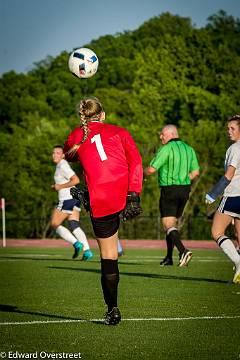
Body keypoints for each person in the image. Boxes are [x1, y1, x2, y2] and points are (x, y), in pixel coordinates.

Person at [63, 97, 143, 325]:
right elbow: (135, 161)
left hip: (100, 198)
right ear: (103, 114)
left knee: (109, 257)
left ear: (83, 117)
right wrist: (134, 194)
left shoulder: (78, 134)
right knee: (111, 253)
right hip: (124, 194)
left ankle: (113, 309)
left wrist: (81, 147)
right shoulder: (120, 131)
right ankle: (112, 308)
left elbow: (68, 153)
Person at [144, 124, 199, 267]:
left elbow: (151, 169)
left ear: (171, 134)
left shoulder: (166, 148)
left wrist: (140, 174)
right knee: (172, 225)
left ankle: (183, 251)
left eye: (162, 134)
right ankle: (169, 257)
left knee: (168, 224)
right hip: (185, 189)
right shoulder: (189, 149)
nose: (160, 137)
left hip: (170, 190)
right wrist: (183, 179)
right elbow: (195, 173)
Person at [205, 114, 240, 284]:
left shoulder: (235, 148)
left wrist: (213, 193)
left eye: (232, 128)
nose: (229, 131)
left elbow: (229, 175)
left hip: (233, 196)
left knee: (216, 232)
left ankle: (239, 262)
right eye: (228, 128)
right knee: (239, 237)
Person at [51, 145, 93, 261]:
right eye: (54, 153)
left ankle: (76, 243)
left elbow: (75, 180)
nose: (55, 155)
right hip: (74, 198)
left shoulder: (62, 165)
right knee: (74, 224)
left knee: (55, 223)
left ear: (63, 155)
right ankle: (87, 251)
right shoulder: (61, 165)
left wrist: (59, 186)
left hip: (67, 199)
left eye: (58, 153)